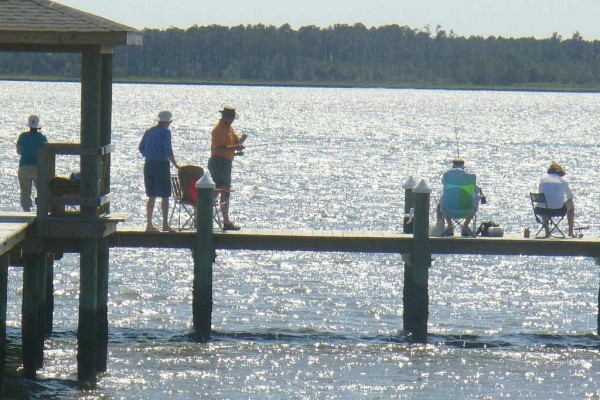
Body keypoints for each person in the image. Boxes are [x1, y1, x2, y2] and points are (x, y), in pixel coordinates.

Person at [139, 110, 180, 232]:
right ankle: (165, 224)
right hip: (161, 164)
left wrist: (149, 154)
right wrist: (176, 165)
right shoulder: (166, 133)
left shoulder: (149, 131)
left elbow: (141, 148)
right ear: (169, 121)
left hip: (148, 164)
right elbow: (168, 151)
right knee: (165, 196)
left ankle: (149, 224)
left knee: (151, 196)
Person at [208, 106, 247, 230]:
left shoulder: (229, 129)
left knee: (223, 190)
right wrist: (235, 148)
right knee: (223, 190)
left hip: (225, 162)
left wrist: (237, 148)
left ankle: (206, 211)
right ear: (223, 116)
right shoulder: (219, 130)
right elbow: (219, 148)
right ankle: (223, 220)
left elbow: (234, 145)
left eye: (233, 117)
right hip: (219, 163)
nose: (231, 120)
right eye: (229, 117)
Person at [438, 158, 485, 237]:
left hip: (448, 209)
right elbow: (476, 192)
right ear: (463, 166)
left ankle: (449, 226)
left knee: (441, 203)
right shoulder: (469, 177)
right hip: (467, 210)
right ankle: (465, 226)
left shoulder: (447, 175)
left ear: (453, 166)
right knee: (474, 202)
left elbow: (443, 182)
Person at [16, 114, 48, 212]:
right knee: (41, 191)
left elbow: (19, 151)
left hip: (24, 167)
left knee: (25, 192)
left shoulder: (22, 136)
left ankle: (26, 211)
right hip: (38, 168)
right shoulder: (43, 138)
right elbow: (46, 153)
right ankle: (42, 211)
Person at [537, 162, 575, 237]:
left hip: (540, 210)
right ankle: (570, 232)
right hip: (557, 210)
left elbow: (540, 193)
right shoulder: (562, 181)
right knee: (571, 204)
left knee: (544, 204)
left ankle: (547, 232)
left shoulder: (543, 179)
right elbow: (570, 197)